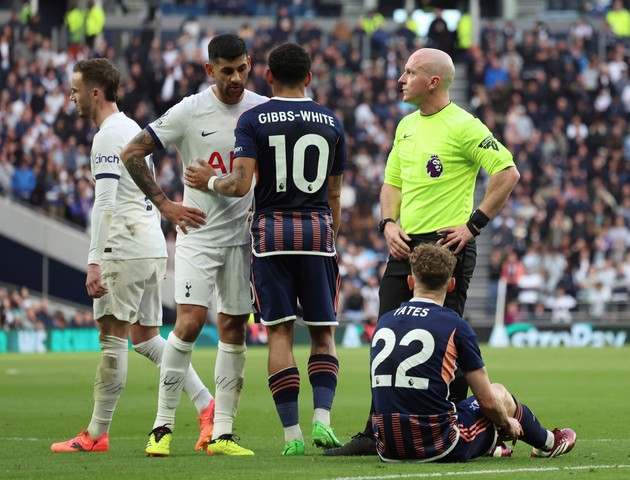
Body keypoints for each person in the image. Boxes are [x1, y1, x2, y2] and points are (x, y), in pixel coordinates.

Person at [324, 47, 519, 456]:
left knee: (447, 342)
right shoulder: (406, 126)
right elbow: (391, 184)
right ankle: (376, 430)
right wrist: (388, 224)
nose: (400, 79)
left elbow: (507, 171)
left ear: (433, 81)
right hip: (405, 243)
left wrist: (473, 224)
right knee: (388, 336)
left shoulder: (464, 126)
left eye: (409, 72)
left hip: (447, 246)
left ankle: (464, 426)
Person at [184, 42, 346, 456]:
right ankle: (323, 421)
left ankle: (292, 436)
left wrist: (209, 182)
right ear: (309, 77)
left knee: (280, 336)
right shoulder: (331, 121)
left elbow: (238, 184)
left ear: (268, 76)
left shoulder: (253, 119)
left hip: (271, 235)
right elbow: (334, 193)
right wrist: (330, 235)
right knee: (323, 334)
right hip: (317, 232)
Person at [51, 58, 215, 453]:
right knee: (144, 339)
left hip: (123, 248)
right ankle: (207, 405)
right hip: (150, 247)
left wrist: (94, 260)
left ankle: (96, 433)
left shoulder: (108, 136)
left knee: (112, 341)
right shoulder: (132, 131)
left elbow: (105, 203)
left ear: (95, 92)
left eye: (75, 90)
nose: (71, 97)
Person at [119, 34, 267, 457]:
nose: (236, 77)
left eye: (242, 68)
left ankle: (221, 434)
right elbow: (133, 152)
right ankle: (161, 428)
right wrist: (165, 204)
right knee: (188, 323)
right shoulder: (190, 110)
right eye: (227, 70)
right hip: (198, 236)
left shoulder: (260, 109)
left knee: (234, 328)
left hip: (242, 240)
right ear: (210, 70)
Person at [370, 243, 577, 462]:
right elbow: (487, 401)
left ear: (410, 282)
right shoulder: (455, 325)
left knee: (453, 407)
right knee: (498, 393)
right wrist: (508, 424)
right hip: (439, 445)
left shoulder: (384, 321)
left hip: (387, 447)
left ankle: (492, 445)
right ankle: (549, 442)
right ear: (451, 285)